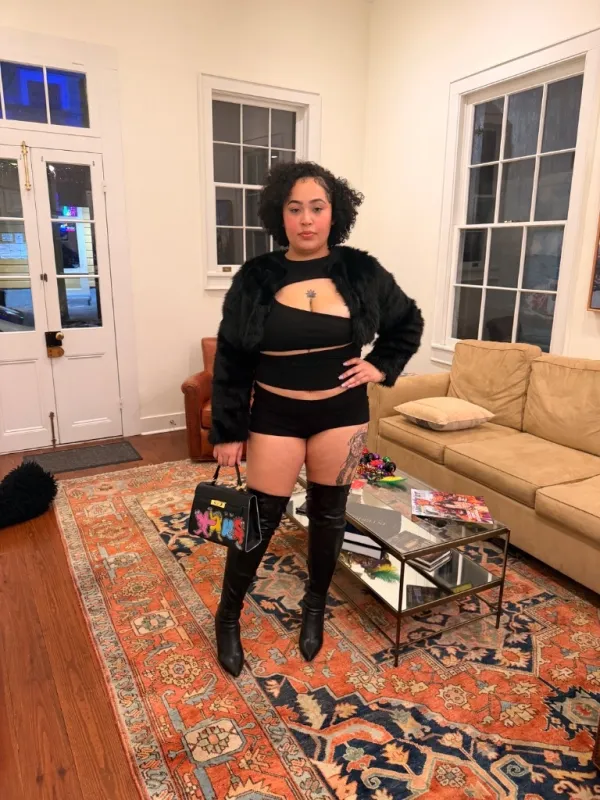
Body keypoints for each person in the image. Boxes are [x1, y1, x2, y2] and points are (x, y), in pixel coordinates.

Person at [210, 161, 423, 677]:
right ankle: (228, 616)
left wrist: (380, 365)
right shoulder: (256, 277)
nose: (306, 219)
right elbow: (232, 357)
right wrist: (229, 430)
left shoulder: (361, 271)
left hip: (341, 414)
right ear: (279, 215)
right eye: (295, 208)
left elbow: (407, 321)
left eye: (317, 208)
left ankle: (314, 608)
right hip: (275, 414)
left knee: (329, 518)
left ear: (335, 214)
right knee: (258, 519)